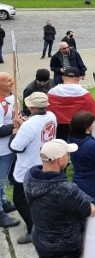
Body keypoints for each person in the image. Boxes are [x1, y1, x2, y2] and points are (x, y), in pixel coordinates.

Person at [24, 139, 95, 258]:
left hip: (40, 239)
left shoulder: (29, 177)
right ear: (60, 160)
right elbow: (91, 209)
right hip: (63, 248)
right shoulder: (65, 189)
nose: (68, 157)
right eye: (67, 155)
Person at [9, 92, 58, 241]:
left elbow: (16, 147)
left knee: (20, 200)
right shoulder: (51, 116)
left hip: (28, 168)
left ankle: (33, 229)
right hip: (44, 162)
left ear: (30, 106)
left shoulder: (29, 125)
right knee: (40, 197)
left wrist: (16, 131)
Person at [67, 111, 95, 210]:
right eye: (93, 122)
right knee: (94, 210)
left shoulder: (72, 138)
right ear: (87, 127)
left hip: (79, 178)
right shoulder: (91, 145)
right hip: (93, 183)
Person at [47, 67, 95, 141]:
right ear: (79, 79)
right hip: (78, 128)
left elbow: (46, 110)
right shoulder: (85, 94)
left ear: (63, 77)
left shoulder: (52, 93)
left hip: (58, 127)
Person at [0, 72, 19, 225]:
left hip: (11, 146)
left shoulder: (14, 96)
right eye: (8, 81)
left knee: (4, 178)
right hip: (1, 150)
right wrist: (15, 126)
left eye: (12, 79)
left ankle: (4, 202)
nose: (12, 82)